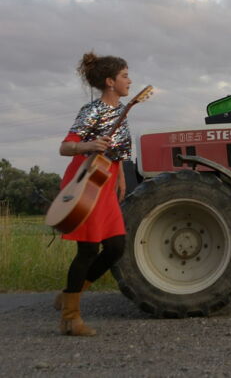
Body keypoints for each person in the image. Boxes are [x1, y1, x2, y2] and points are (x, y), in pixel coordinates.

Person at [55, 52, 132, 336]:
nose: (129, 80)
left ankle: (68, 296)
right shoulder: (92, 110)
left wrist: (121, 177)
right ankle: (70, 317)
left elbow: (118, 152)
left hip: (108, 182)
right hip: (86, 181)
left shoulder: (122, 111)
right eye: (125, 75)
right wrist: (87, 146)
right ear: (110, 82)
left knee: (115, 247)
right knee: (88, 249)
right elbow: (65, 147)